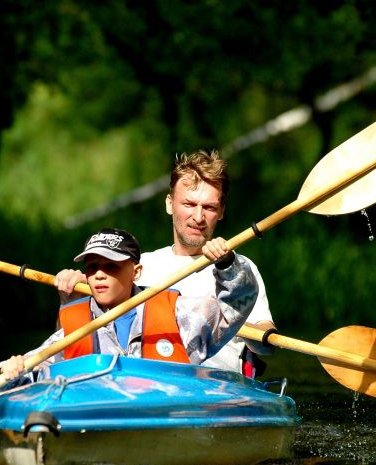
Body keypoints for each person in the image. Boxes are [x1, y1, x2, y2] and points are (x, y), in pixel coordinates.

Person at [55, 150, 276, 377]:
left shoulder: (236, 270)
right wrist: (72, 300)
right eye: (189, 204)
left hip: (216, 389)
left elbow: (263, 346)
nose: (198, 217)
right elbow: (72, 342)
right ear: (170, 204)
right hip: (148, 383)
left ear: (221, 212)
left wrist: (257, 332)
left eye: (208, 207)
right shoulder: (136, 268)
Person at [0, 227, 258, 384]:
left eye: (111, 267)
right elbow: (19, 373)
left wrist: (227, 265)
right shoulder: (74, 328)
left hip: (165, 419)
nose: (99, 274)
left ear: (136, 272)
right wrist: (9, 373)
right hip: (94, 420)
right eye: (92, 267)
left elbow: (234, 307)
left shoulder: (178, 315)